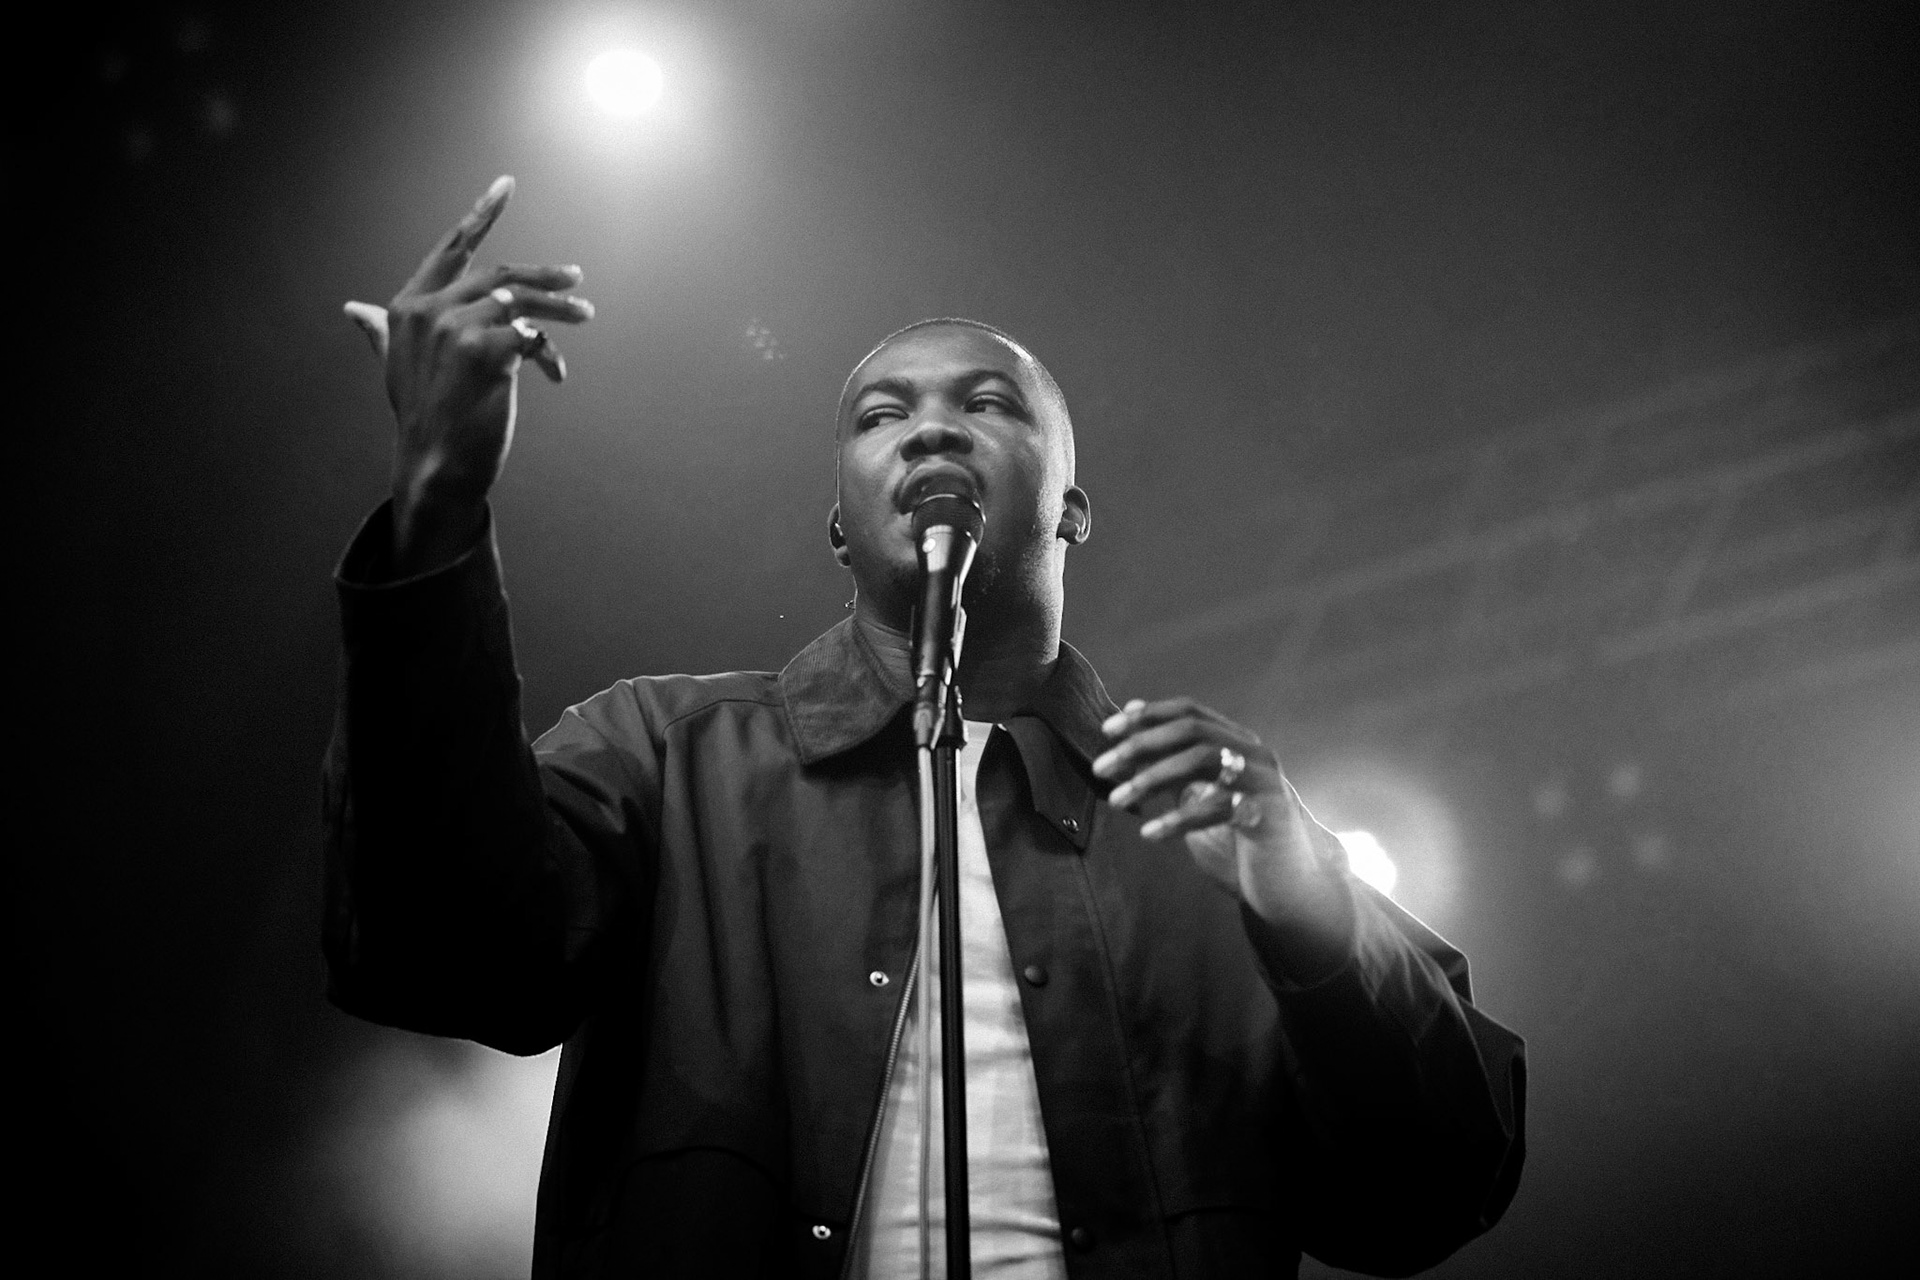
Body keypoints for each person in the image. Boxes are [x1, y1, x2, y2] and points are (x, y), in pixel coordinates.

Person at [325, 177, 1525, 1280]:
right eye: (880, 414)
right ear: (841, 525)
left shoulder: (1210, 826)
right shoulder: (666, 752)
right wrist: (437, 498)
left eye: (989, 402)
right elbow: (440, 951)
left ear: (1073, 507)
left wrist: (1315, 916)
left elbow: (1433, 1190)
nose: (932, 429)